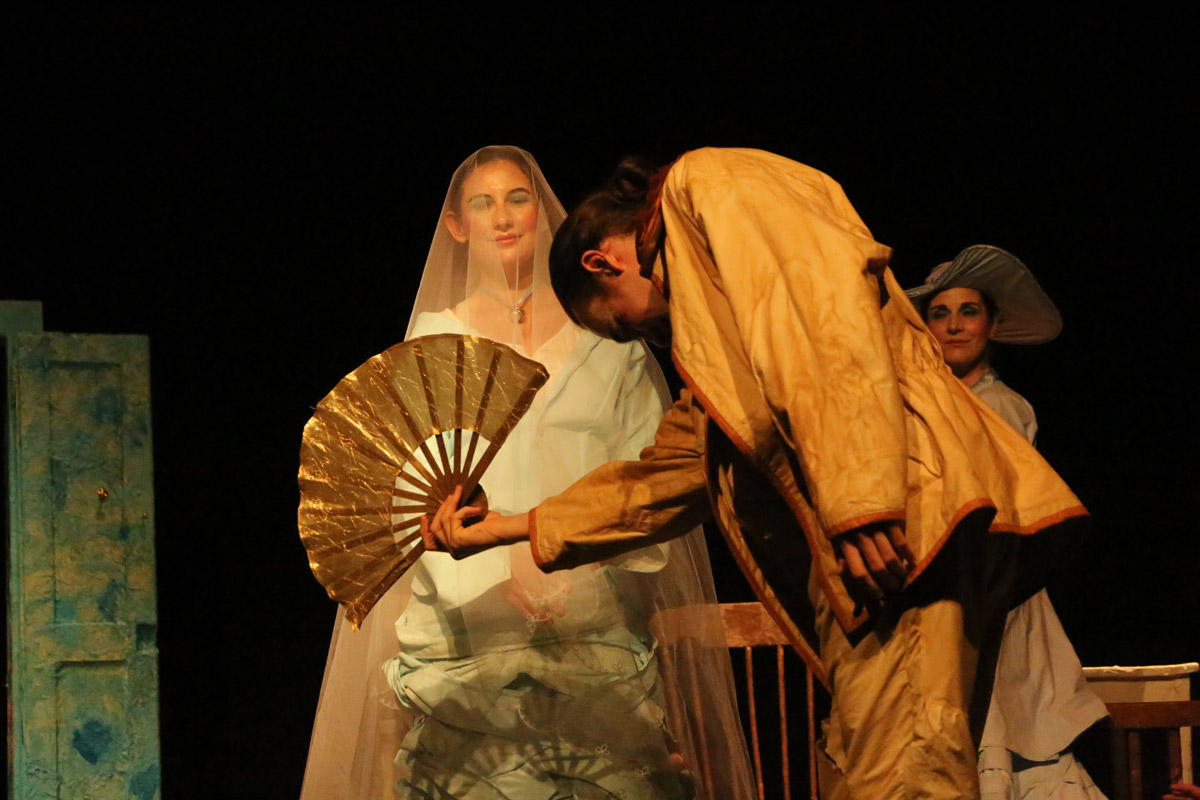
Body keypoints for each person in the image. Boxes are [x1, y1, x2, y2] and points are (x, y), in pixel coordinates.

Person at [424, 147, 1090, 799]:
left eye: (625, 326)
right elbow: (668, 474)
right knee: (872, 761)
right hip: (869, 542)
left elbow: (822, 316)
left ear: (604, 262)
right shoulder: (725, 335)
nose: (652, 337)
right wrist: (509, 528)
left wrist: (861, 503)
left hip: (897, 526)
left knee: (906, 772)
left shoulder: (710, 184)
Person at [299, 146, 753, 799]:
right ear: (457, 225)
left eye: (518, 198)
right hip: (469, 626)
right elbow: (411, 497)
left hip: (594, 619)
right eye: (483, 203)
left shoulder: (608, 336)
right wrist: (497, 564)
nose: (503, 217)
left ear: (542, 213)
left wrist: (569, 561)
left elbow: (652, 476)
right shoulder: (431, 343)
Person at [908, 245, 1108, 799]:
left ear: (992, 326)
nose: (953, 326)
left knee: (994, 725)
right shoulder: (937, 404)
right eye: (940, 313)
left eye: (968, 312)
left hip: (993, 587)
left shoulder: (998, 406)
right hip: (956, 587)